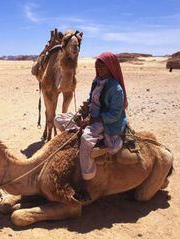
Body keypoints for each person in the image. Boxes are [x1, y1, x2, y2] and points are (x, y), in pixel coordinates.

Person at [54, 52, 128, 181]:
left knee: (86, 139)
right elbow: (92, 99)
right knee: (58, 119)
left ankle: (87, 175)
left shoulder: (116, 89)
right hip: (91, 116)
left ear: (110, 67)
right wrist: (86, 108)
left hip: (106, 121)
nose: (99, 69)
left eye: (102, 66)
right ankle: (76, 139)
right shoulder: (97, 81)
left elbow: (115, 115)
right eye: (97, 66)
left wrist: (93, 120)